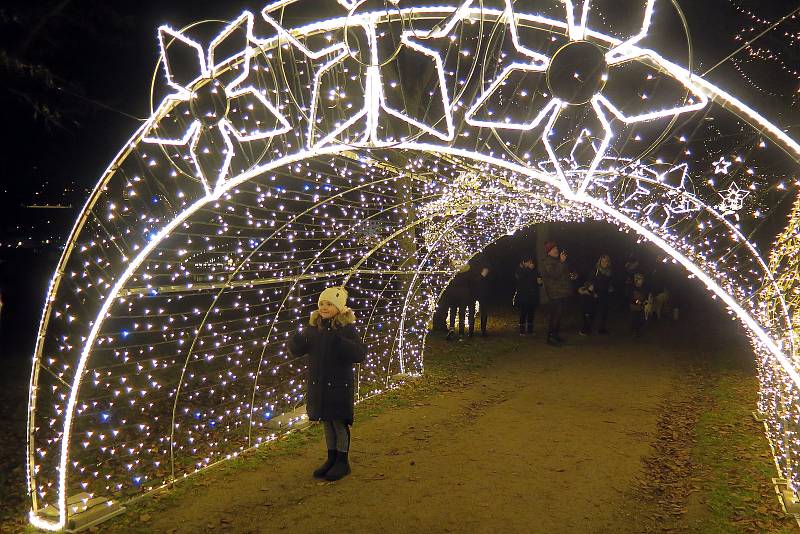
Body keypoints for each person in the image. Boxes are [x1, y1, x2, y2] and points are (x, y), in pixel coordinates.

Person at [289, 286, 367, 481]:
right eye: (322, 303)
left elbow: (359, 353)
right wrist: (296, 341)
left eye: (329, 304)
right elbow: (300, 349)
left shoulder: (346, 329)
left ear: (339, 308)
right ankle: (331, 458)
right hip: (320, 384)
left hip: (339, 385)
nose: (324, 307)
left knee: (339, 422)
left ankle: (342, 461)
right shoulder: (315, 328)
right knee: (326, 422)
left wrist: (340, 342)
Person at [540, 241, 575, 346]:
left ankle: (555, 335)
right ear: (548, 252)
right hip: (555, 293)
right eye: (553, 249)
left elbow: (562, 275)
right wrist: (562, 262)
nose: (556, 250)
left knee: (559, 315)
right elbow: (554, 274)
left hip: (561, 292)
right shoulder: (548, 262)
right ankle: (551, 337)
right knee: (556, 315)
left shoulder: (556, 261)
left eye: (556, 248)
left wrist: (571, 276)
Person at [514, 257, 542, 336]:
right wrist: (528, 269)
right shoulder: (519, 270)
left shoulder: (535, 271)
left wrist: (539, 282)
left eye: (531, 262)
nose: (530, 264)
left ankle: (530, 330)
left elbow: (539, 281)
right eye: (528, 262)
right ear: (524, 262)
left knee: (531, 313)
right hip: (523, 295)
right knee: (523, 312)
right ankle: (522, 330)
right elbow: (520, 278)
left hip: (533, 295)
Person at [446, 265, 472, 341]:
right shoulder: (466, 274)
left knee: (453, 312)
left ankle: (452, 329)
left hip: (454, 294)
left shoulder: (453, 274)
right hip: (463, 295)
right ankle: (461, 333)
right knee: (462, 314)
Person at [592, 254, 613, 334]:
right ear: (600, 262)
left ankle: (602, 328)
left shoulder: (610, 271)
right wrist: (593, 292)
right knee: (596, 311)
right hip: (597, 293)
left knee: (605, 311)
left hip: (606, 293)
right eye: (603, 261)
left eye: (606, 261)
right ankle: (594, 328)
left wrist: (611, 287)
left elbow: (611, 282)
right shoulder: (596, 271)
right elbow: (592, 281)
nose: (604, 263)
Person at [471, 266, 492, 337]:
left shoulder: (486, 278)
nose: (487, 272)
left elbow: (487, 287)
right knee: (472, 313)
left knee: (484, 313)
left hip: (483, 297)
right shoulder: (477, 277)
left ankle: (483, 330)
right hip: (475, 296)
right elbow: (474, 285)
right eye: (486, 270)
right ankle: (471, 331)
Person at [630, 273, 652, 337]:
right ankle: (634, 332)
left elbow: (646, 297)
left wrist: (646, 301)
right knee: (634, 319)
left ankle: (638, 331)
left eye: (642, 279)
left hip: (641, 307)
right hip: (634, 307)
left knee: (642, 320)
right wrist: (637, 302)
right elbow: (631, 298)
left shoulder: (644, 288)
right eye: (639, 279)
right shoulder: (632, 288)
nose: (641, 280)